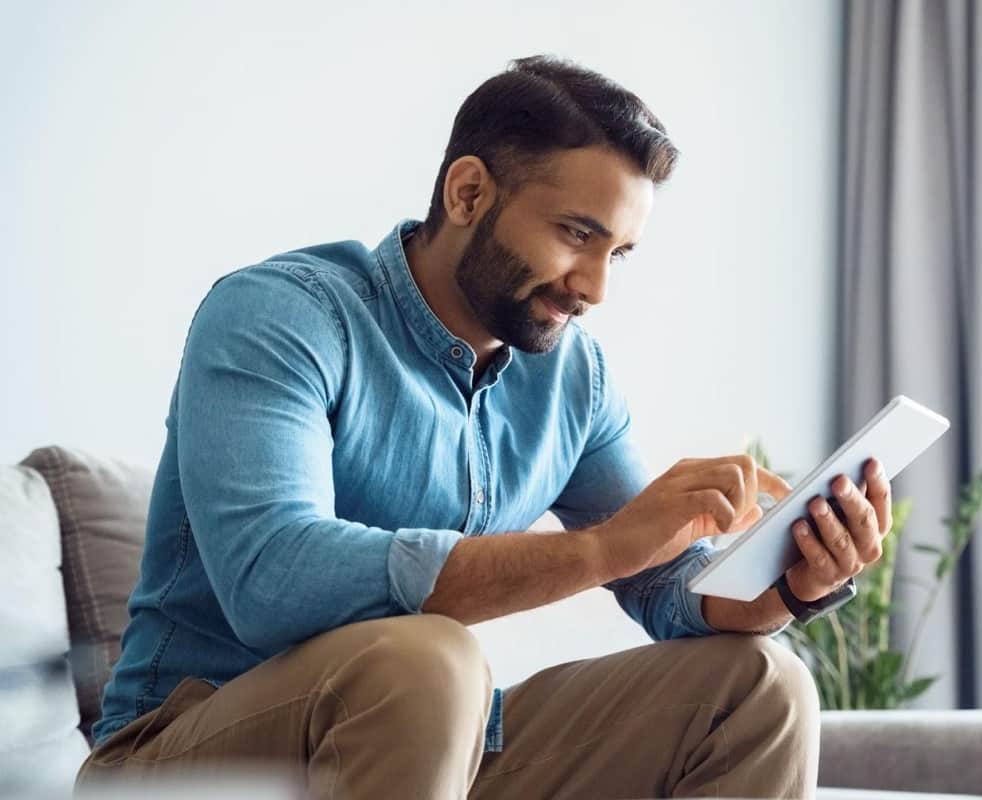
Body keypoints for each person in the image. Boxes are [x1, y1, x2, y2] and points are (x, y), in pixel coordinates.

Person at [75, 55, 892, 799]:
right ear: (468, 193)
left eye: (622, 253)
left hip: (433, 743)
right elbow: (272, 581)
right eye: (578, 235)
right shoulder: (283, 314)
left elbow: (663, 590)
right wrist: (604, 545)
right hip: (186, 750)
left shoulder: (574, 376)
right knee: (427, 657)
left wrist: (788, 581)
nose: (597, 288)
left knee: (760, 687)